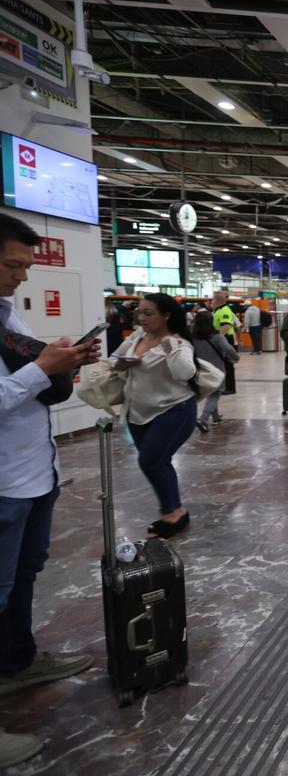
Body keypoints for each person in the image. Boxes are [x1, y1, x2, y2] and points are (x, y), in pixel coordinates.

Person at [0, 214, 100, 767]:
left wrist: (56, 360)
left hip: (33, 474)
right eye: (13, 264)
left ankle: (15, 661)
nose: (21, 276)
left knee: (23, 575)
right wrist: (42, 369)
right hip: (3, 484)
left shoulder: (6, 317)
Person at [113, 293, 198, 539]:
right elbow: (115, 360)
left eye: (149, 313)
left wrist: (170, 348)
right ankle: (176, 510)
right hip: (138, 412)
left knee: (150, 461)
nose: (142, 318)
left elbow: (185, 373)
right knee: (158, 462)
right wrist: (120, 365)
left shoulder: (178, 343)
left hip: (173, 411)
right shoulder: (136, 337)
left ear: (166, 316)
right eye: (140, 312)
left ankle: (171, 513)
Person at [191, 311, 240, 432]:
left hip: (199, 369)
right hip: (216, 369)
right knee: (215, 394)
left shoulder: (192, 337)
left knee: (211, 391)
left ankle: (216, 417)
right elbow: (228, 348)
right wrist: (236, 357)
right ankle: (203, 419)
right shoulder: (217, 336)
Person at [209, 291, 239, 394]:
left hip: (226, 339)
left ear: (217, 300)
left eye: (212, 299)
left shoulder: (225, 311)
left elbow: (226, 326)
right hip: (223, 339)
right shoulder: (218, 311)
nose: (211, 302)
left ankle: (230, 388)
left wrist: (217, 339)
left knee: (228, 365)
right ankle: (224, 386)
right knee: (223, 364)